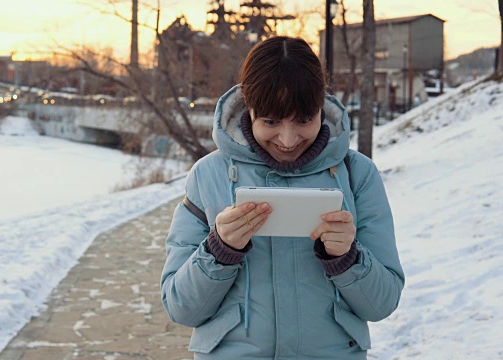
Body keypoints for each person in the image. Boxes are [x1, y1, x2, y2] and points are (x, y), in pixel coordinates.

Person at [160, 36, 404, 359]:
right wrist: (218, 251)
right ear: (249, 108)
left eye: (304, 120)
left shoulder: (358, 176)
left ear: (321, 105)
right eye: (271, 122)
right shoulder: (208, 176)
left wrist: (347, 258)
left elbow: (383, 303)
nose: (288, 140)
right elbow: (180, 307)